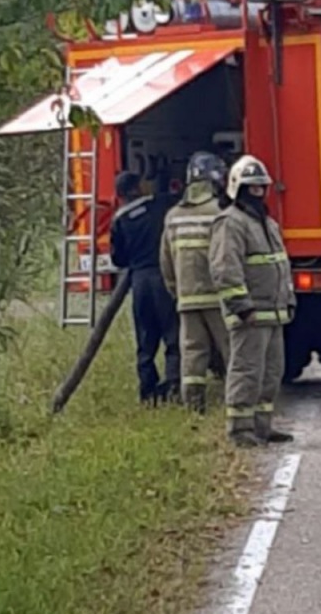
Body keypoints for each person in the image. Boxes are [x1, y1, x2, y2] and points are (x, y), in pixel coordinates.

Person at [209, 154, 296, 448]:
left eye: (261, 187)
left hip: (272, 312)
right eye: (252, 187)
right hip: (250, 313)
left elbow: (280, 262)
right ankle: (240, 429)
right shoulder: (230, 222)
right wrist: (241, 305)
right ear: (238, 188)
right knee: (247, 370)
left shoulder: (267, 222)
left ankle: (262, 426)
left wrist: (289, 297)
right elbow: (225, 267)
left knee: (272, 371)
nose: (258, 192)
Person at [160, 151, 231, 413]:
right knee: (230, 350)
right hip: (217, 297)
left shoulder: (172, 216)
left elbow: (166, 262)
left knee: (192, 353)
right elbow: (227, 258)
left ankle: (194, 408)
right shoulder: (220, 214)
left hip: (187, 299)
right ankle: (234, 403)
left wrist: (177, 292)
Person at [110, 170, 180, 405]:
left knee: (145, 339)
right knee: (173, 335)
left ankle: (148, 392)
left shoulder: (119, 220)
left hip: (139, 281)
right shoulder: (158, 206)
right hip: (162, 278)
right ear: (135, 189)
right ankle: (173, 388)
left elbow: (118, 259)